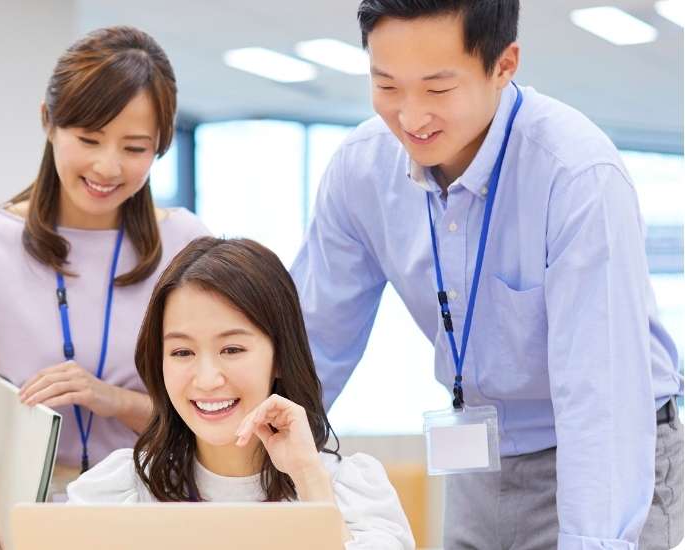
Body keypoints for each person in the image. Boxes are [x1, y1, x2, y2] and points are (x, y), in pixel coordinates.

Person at [290, 1, 683, 548]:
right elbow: (312, 343)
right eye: (387, 86)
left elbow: (601, 397)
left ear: (504, 65)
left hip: (601, 454)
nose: (410, 117)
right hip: (481, 458)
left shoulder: (575, 175)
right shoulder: (362, 169)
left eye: (437, 89)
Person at [0, 25, 208, 549]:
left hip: (158, 514)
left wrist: (117, 401)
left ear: (160, 147)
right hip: (12, 518)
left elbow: (220, 406)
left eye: (135, 148)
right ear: (49, 121)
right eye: (88, 140)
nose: (107, 167)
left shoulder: (188, 245)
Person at [68, 237, 415, 549]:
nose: (206, 380)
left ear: (280, 356)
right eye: (182, 353)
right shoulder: (119, 490)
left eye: (232, 349)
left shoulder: (350, 491)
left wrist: (309, 478)